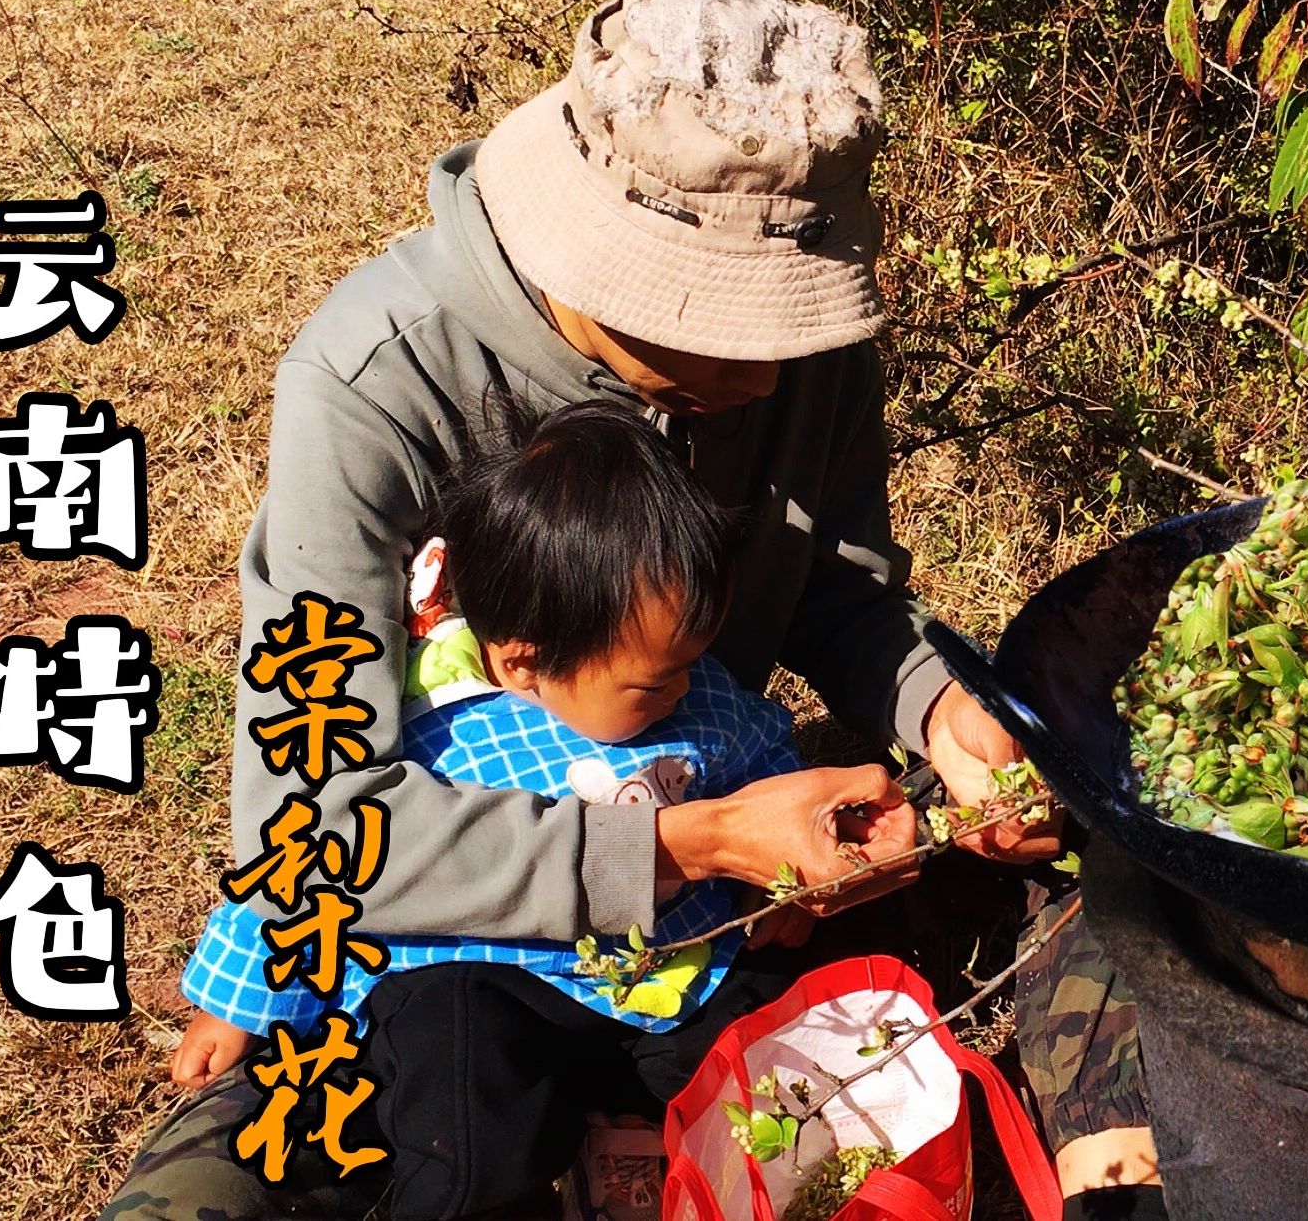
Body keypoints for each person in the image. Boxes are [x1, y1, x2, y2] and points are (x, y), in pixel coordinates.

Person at [97, 0, 1155, 1218]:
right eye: (717, 324)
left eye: (789, 324)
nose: (766, 371)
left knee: (1123, 835)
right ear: (588, 259)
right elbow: (314, 825)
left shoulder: (798, 364)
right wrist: (685, 846)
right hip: (451, 927)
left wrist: (942, 718)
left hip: (703, 828)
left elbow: (840, 592)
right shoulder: (372, 389)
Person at [169, 400, 909, 1219]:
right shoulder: (432, 720)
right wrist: (236, 1005)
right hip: (492, 986)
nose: (682, 691)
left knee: (771, 1030)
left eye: (692, 663)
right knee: (454, 1074)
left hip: (672, 973)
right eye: (652, 682)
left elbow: (764, 767)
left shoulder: (698, 699)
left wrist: (778, 884)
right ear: (523, 664)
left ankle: (776, 1174)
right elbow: (310, 855)